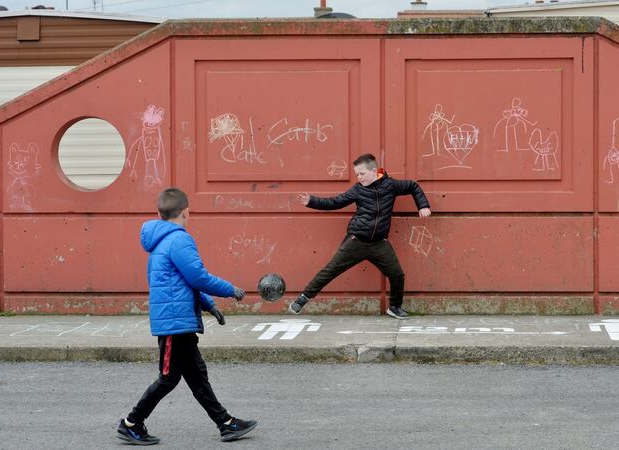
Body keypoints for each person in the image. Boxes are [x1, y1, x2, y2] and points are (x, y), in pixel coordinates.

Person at [117, 187, 256, 445]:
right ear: (187, 212)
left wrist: (208, 304)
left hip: (178, 319)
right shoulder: (179, 239)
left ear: (160, 213)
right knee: (169, 378)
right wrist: (230, 290)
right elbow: (198, 277)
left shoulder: (161, 242)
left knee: (197, 375)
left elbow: (183, 283)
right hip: (174, 323)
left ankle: (226, 423)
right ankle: (131, 423)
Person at [289, 153, 431, 319]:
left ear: (374, 171)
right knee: (330, 270)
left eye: (362, 174)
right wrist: (311, 201)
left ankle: (395, 307)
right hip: (356, 241)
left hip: (379, 243)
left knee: (397, 274)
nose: (359, 177)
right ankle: (303, 299)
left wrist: (423, 205)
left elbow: (413, 186)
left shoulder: (390, 185)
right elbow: (335, 202)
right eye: (357, 174)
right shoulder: (357, 190)